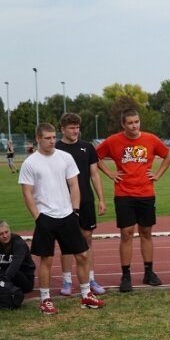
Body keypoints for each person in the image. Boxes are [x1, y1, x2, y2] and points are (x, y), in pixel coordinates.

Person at [19, 123, 105, 314]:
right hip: (45, 217)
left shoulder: (65, 158)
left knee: (82, 255)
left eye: (53, 137)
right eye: (47, 138)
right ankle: (45, 300)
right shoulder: (30, 163)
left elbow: (74, 185)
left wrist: (74, 211)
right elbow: (27, 192)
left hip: (67, 215)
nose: (52, 141)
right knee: (46, 260)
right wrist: (37, 217)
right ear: (38, 139)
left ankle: (86, 295)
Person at [96, 109, 170, 292]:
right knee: (127, 233)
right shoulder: (114, 141)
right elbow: (96, 156)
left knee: (146, 232)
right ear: (123, 124)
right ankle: (126, 275)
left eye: (137, 122)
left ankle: (149, 272)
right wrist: (110, 173)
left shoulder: (151, 139)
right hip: (124, 194)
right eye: (130, 123)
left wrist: (158, 174)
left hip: (146, 192)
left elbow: (167, 156)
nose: (134, 126)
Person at [56, 113, 107, 296]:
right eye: (71, 127)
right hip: (63, 202)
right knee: (67, 242)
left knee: (87, 240)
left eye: (77, 127)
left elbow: (94, 174)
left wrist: (101, 199)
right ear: (62, 129)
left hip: (85, 200)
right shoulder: (56, 149)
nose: (75, 131)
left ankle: (91, 278)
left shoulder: (87, 147)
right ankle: (67, 281)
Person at [0, 220, 36, 294]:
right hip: (5, 274)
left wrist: (2, 281)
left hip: (24, 278)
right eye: (1, 234)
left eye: (7, 232)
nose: (5, 236)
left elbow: (15, 266)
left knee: (12, 271)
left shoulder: (18, 243)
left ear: (10, 230)